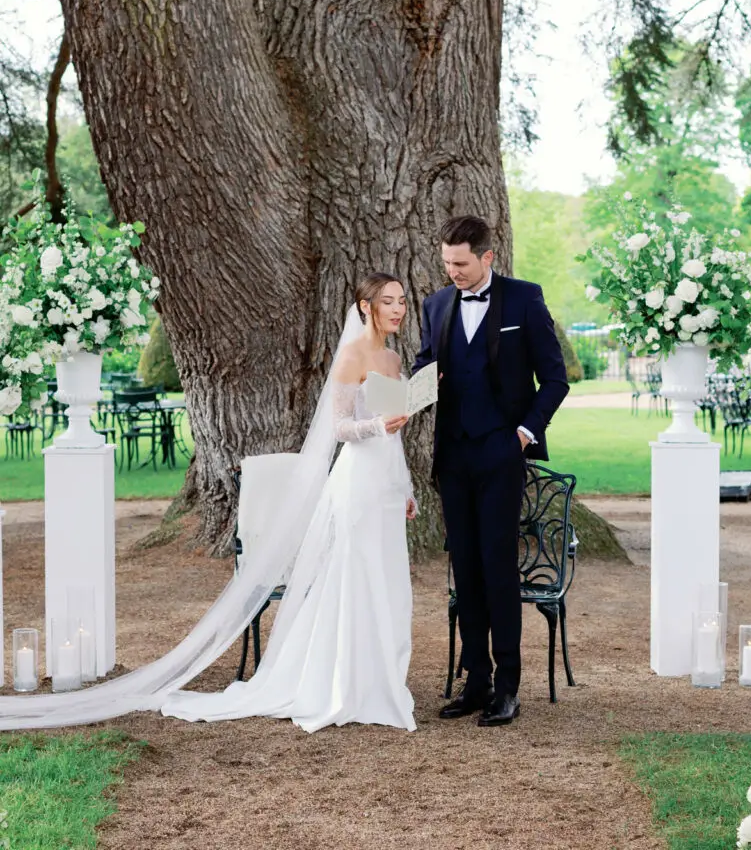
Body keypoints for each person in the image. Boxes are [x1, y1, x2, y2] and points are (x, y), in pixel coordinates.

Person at [161, 272, 418, 732]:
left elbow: (395, 434)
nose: (398, 309)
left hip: (385, 484)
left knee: (388, 580)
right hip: (357, 481)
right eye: (388, 301)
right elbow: (339, 427)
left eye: (401, 300)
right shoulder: (351, 356)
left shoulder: (395, 359)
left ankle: (380, 680)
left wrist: (406, 489)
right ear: (365, 306)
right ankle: (340, 683)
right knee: (353, 576)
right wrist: (378, 427)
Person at [414, 216, 569, 726]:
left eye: (460, 263)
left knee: (499, 569)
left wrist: (523, 435)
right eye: (446, 264)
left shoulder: (524, 299)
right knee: (467, 571)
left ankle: (508, 687)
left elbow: (554, 380)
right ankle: (474, 682)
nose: (452, 272)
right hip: (453, 457)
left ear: (488, 257)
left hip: (502, 454)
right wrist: (414, 383)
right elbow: (425, 369)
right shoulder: (435, 305)